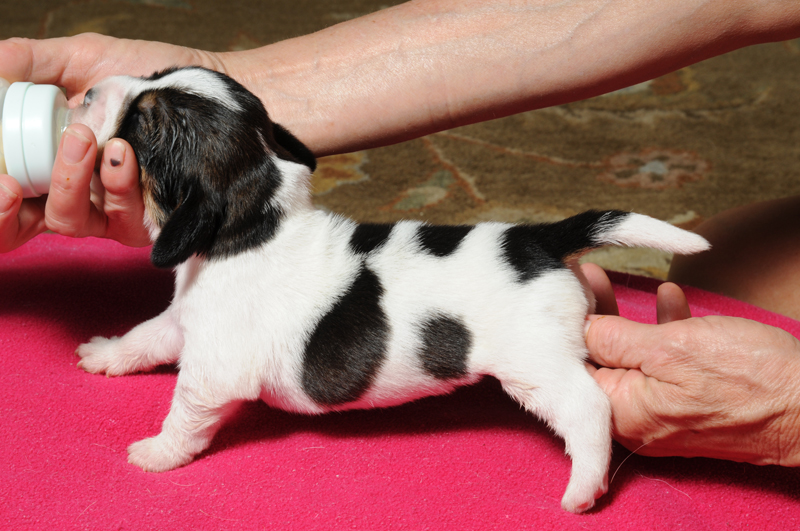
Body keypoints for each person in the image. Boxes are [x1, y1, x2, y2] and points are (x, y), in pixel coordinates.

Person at [2, 0, 800, 466]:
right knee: (711, 280)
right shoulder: (236, 248)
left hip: (466, 298)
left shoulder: (231, 279)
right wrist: (255, 90)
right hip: (462, 265)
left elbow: (215, 369)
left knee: (690, 313)